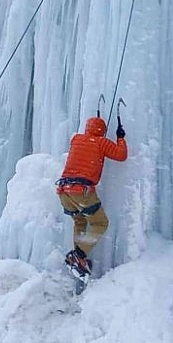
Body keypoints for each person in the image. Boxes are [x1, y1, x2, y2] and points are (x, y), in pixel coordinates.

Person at [56, 116, 127, 278]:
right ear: (102, 131)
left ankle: (79, 259)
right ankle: (79, 256)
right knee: (100, 223)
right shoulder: (101, 142)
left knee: (80, 221)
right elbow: (121, 155)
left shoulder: (76, 139)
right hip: (81, 191)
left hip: (63, 190)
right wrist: (120, 137)